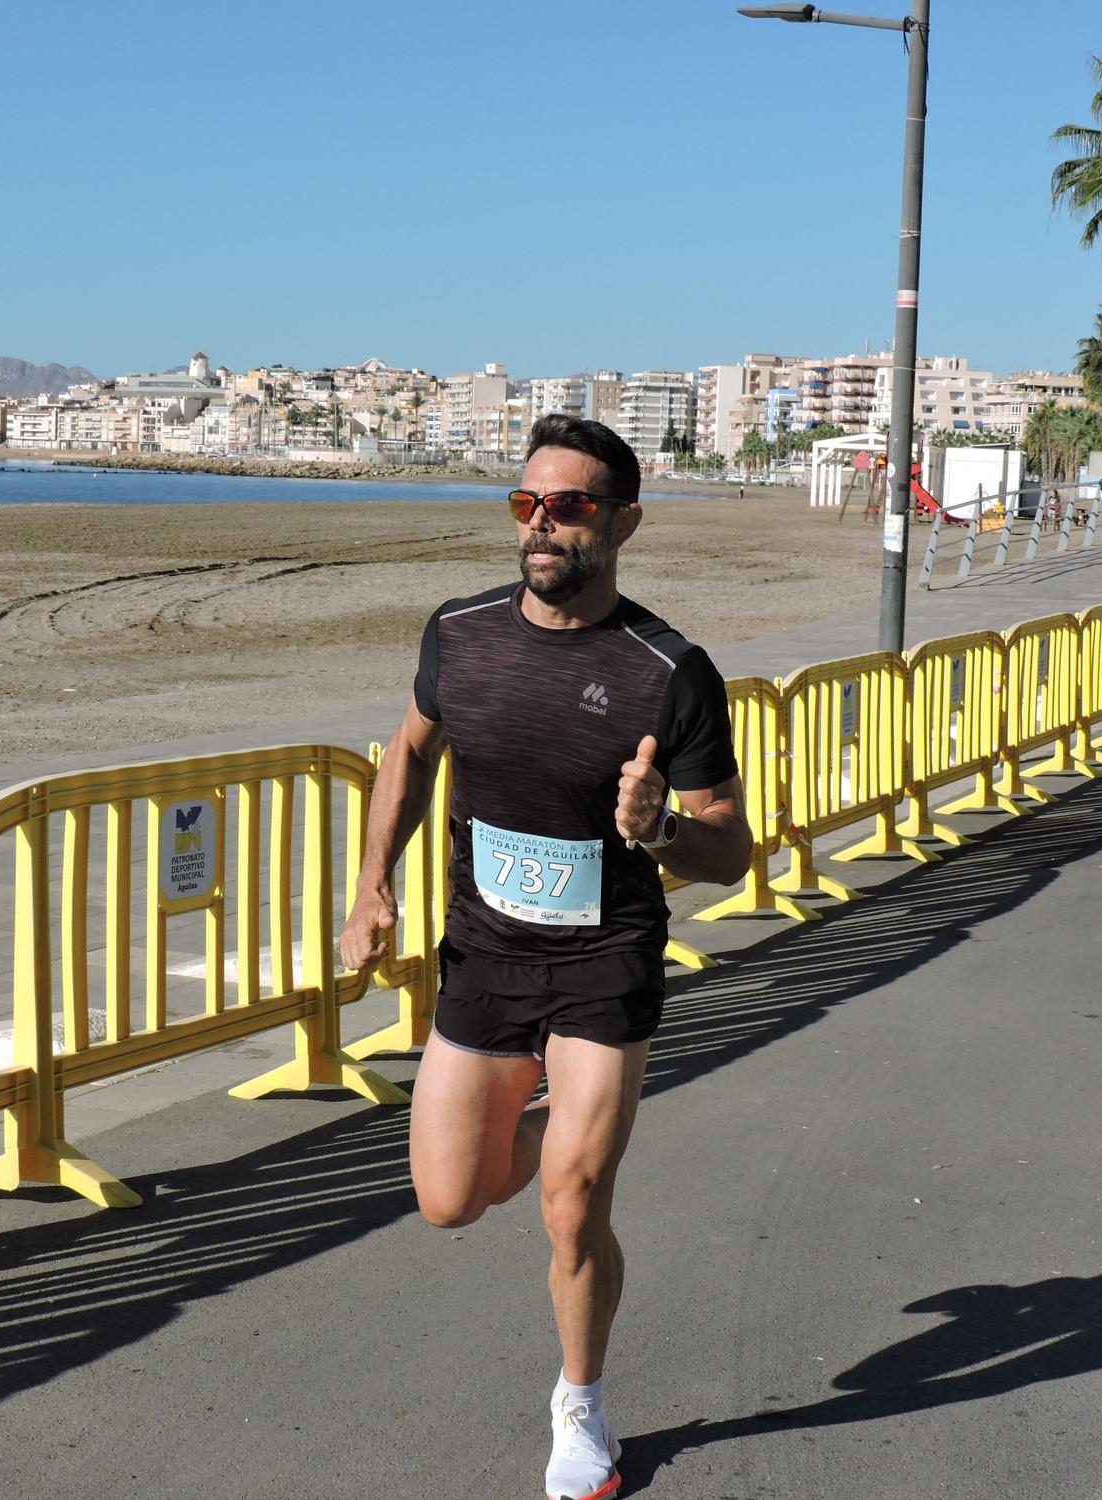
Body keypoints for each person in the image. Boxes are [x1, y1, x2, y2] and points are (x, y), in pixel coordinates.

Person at [341, 413, 751, 1500]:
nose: (540, 524)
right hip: (480, 959)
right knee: (446, 1198)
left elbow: (731, 849)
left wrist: (660, 827)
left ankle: (580, 1405)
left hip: (603, 964)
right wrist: (371, 882)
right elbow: (409, 751)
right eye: (526, 502)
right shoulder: (459, 635)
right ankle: (545, 1116)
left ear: (622, 522)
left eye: (567, 506)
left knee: (571, 1206)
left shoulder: (669, 670)